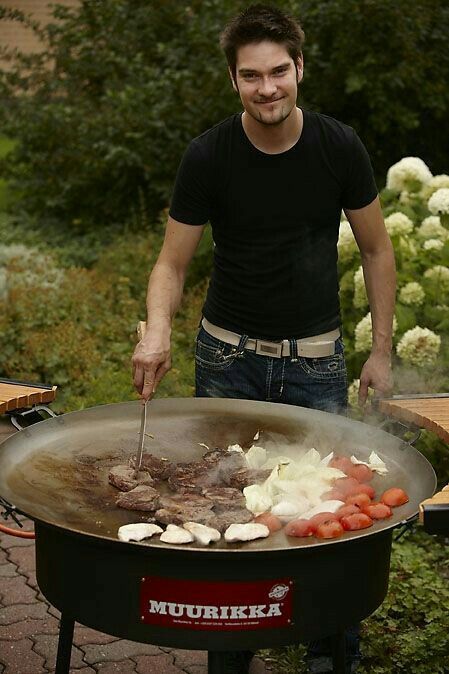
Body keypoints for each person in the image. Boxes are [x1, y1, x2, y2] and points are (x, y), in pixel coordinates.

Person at [132, 4, 396, 672]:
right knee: (224, 509)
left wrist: (383, 348)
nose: (267, 87)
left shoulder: (337, 146)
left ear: (299, 68)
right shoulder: (210, 154)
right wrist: (156, 330)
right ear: (233, 80)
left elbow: (375, 249)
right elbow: (171, 262)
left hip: (314, 364)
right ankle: (230, 654)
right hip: (227, 361)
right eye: (251, 75)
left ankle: (325, 651)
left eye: (278, 71)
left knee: (323, 515)